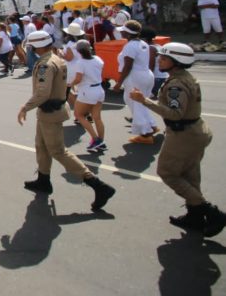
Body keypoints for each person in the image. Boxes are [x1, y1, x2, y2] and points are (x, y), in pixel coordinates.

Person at [130, 43, 226, 237]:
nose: (159, 60)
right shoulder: (183, 78)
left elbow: (175, 114)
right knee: (190, 175)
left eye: (164, 58)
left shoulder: (176, 84)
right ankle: (195, 216)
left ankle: (209, 211)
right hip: (194, 131)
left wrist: (144, 101)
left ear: (177, 62)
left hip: (184, 135)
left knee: (167, 172)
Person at [17, 31, 115, 211]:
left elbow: (43, 92)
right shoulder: (56, 58)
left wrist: (25, 107)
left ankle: (97, 185)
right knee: (41, 146)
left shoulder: (46, 64)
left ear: (37, 46)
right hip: (51, 109)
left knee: (58, 151)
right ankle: (43, 179)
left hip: (50, 112)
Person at [113, 20, 159, 144]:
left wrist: (118, 83)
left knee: (135, 103)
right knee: (140, 102)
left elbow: (128, 66)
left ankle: (146, 134)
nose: (121, 32)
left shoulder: (130, 46)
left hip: (135, 77)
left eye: (123, 31)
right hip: (145, 75)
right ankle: (151, 125)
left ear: (128, 34)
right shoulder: (143, 43)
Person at [70, 40, 107, 152]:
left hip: (88, 91)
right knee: (97, 117)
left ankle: (96, 139)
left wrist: (69, 84)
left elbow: (78, 79)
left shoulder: (80, 63)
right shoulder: (97, 59)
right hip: (99, 89)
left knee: (79, 115)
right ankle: (100, 141)